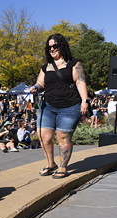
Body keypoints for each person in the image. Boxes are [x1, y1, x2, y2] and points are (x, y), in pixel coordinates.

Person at [29, 33, 89, 179]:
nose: (52, 49)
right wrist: (36, 87)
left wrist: (84, 100)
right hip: (48, 106)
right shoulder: (46, 67)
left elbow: (80, 82)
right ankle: (51, 164)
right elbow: (41, 84)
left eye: (55, 46)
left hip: (69, 106)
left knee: (63, 137)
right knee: (43, 137)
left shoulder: (74, 64)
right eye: (49, 47)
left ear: (62, 46)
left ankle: (63, 167)